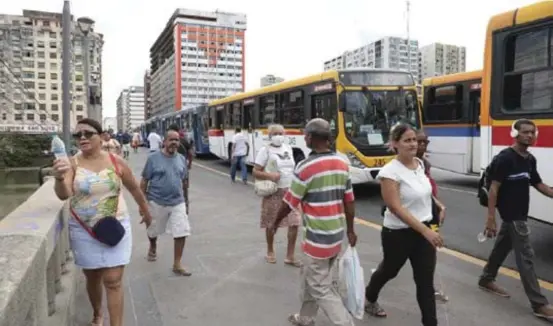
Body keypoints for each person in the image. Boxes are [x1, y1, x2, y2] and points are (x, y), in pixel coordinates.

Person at [51, 118, 152, 326]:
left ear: (101, 136)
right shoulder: (72, 163)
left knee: (113, 281)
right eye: (78, 135)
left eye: (88, 133)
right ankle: (98, 313)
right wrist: (59, 179)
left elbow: (134, 188)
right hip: (84, 230)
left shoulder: (116, 161)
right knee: (93, 277)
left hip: (115, 226)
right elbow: (64, 195)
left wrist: (145, 210)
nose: (83, 138)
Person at [269, 118, 357, 326]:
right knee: (310, 276)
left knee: (320, 287)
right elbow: (350, 201)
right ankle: (306, 318)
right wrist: (351, 231)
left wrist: (274, 223)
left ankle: (345, 323)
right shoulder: (342, 163)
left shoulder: (305, 167)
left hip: (317, 239)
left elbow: (289, 202)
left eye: (306, 135)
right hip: (336, 235)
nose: (305, 138)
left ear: (310, 137)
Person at [365, 123, 443, 326]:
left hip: (423, 234)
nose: (413, 144)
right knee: (389, 271)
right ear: (394, 144)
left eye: (414, 140)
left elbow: (423, 191)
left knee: (425, 284)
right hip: (398, 234)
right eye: (407, 140)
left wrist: (438, 205)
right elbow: (396, 208)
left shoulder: (420, 164)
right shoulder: (389, 172)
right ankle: (370, 297)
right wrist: (426, 231)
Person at [479, 118, 553, 320]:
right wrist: (491, 218)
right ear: (515, 134)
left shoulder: (529, 159)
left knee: (502, 246)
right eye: (525, 132)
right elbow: (493, 189)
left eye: (532, 132)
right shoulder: (505, 158)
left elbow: (538, 184)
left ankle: (486, 278)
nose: (530, 135)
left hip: (520, 213)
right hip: (512, 215)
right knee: (526, 258)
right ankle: (539, 304)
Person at [141, 129, 192, 276]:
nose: (174, 143)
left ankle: (177, 264)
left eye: (177, 140)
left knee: (182, 231)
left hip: (177, 202)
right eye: (171, 140)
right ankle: (153, 246)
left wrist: (186, 202)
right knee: (153, 230)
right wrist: (143, 205)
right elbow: (144, 181)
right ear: (164, 141)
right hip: (156, 201)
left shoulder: (181, 159)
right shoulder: (153, 159)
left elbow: (185, 181)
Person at [253, 124, 301, 266]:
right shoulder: (265, 150)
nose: (279, 136)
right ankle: (270, 251)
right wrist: (270, 175)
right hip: (274, 192)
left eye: (281, 133)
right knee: (271, 222)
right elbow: (256, 171)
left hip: (290, 190)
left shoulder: (289, 149)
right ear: (270, 136)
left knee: (295, 222)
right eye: (276, 133)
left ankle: (290, 256)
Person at [416, 130, 448, 303]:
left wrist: (439, 206)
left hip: (431, 214)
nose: (421, 145)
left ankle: (429, 287)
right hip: (415, 217)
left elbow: (430, 191)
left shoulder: (425, 164)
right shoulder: (409, 164)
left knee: (431, 248)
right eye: (418, 141)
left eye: (424, 142)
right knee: (392, 264)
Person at [169, 124, 194, 214]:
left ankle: (174, 206)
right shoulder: (184, 140)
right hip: (183, 168)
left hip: (171, 169)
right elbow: (190, 153)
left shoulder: (167, 142)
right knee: (185, 188)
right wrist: (189, 164)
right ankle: (185, 207)